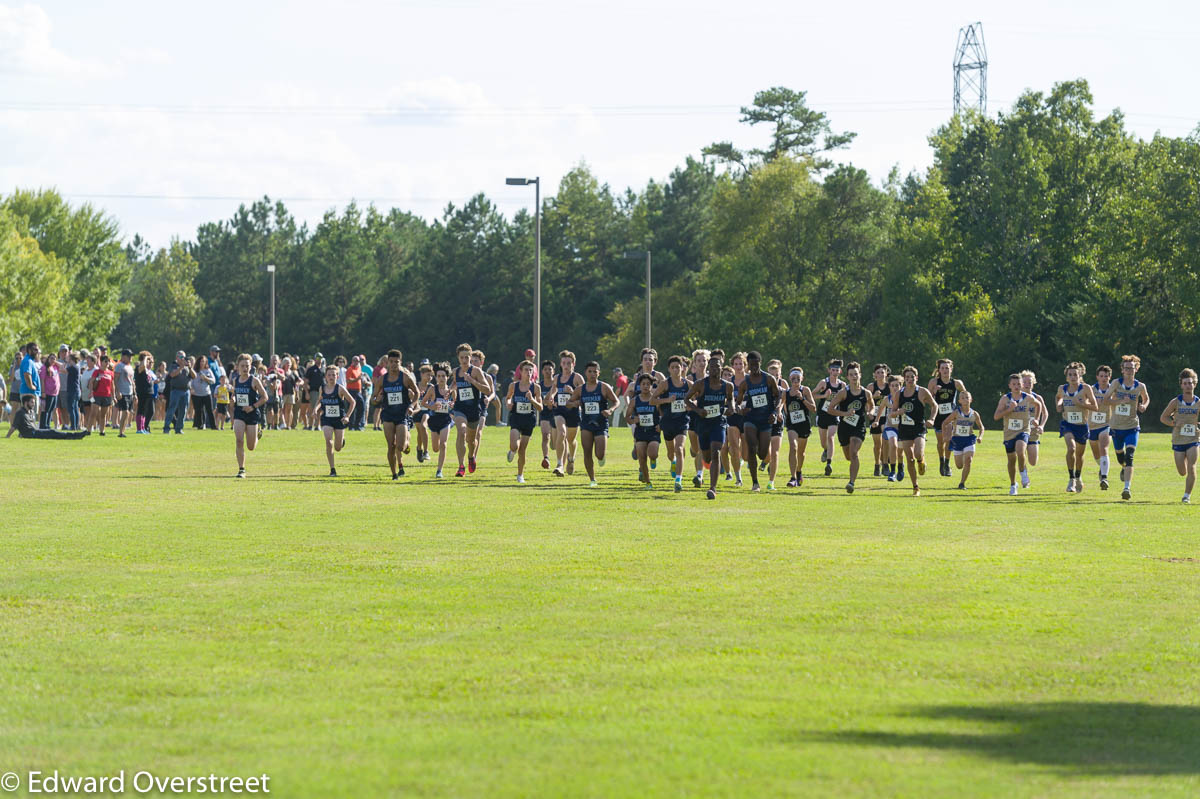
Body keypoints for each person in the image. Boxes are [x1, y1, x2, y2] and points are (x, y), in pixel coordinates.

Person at [686, 353, 733, 500]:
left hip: (718, 423)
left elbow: (731, 401)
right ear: (709, 369)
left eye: (717, 367)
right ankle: (707, 465)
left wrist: (731, 408)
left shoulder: (728, 386)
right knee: (706, 455)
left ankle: (712, 488)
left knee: (716, 452)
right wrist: (698, 410)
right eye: (712, 367)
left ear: (721, 368)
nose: (714, 369)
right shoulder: (700, 384)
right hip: (703, 424)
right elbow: (686, 399)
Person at [565, 361, 619, 487]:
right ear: (586, 373)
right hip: (586, 424)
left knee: (599, 454)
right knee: (587, 452)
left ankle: (602, 457)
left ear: (599, 373)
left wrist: (610, 410)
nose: (592, 374)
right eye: (590, 371)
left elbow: (616, 402)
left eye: (595, 371)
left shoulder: (604, 387)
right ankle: (592, 479)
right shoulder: (580, 389)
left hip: (601, 424)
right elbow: (568, 403)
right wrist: (575, 404)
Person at [1104, 354, 1150, 501]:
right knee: (1120, 455)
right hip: (1117, 426)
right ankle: (1123, 467)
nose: (1129, 370)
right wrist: (1119, 400)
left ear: (1136, 369)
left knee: (1130, 456)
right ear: (1122, 369)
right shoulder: (1116, 384)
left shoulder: (1140, 386)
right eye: (1126, 368)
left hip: (1132, 426)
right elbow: (1106, 400)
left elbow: (1146, 398)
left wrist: (1143, 405)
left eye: (1132, 368)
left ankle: (1126, 488)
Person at [736, 351, 781, 492]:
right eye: (751, 364)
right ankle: (755, 483)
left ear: (760, 363)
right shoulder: (745, 383)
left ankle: (761, 462)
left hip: (766, 420)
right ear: (748, 365)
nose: (754, 367)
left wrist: (775, 412)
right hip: (750, 418)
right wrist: (740, 409)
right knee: (751, 447)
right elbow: (738, 403)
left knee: (762, 453)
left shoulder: (768, 379)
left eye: (756, 364)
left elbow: (778, 397)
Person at [827, 362, 874, 494]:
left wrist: (870, 413)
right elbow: (830, 409)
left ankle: (851, 482)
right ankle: (852, 474)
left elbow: (872, 405)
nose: (854, 377)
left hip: (858, 427)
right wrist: (845, 414)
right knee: (848, 456)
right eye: (851, 375)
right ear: (847, 377)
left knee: (854, 453)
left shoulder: (866, 393)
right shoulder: (843, 393)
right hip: (844, 428)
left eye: (856, 374)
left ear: (860, 375)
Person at [1055, 362, 1099, 493]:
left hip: (1082, 426)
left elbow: (1095, 407)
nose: (1073, 377)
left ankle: (1079, 477)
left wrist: (1082, 404)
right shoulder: (1062, 388)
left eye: (1075, 374)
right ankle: (1071, 479)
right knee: (1071, 448)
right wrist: (1059, 404)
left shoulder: (1085, 389)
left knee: (1079, 455)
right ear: (1066, 377)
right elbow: (1058, 397)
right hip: (1067, 424)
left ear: (1080, 375)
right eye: (1070, 375)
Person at [375, 349, 419, 480]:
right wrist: (376, 399)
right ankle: (394, 474)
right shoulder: (382, 379)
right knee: (391, 445)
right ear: (387, 362)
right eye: (391, 362)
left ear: (400, 363)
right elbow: (374, 396)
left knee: (400, 446)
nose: (394, 364)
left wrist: (411, 405)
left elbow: (417, 393)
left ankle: (407, 442)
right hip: (388, 414)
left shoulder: (405, 377)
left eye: (397, 362)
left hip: (402, 415)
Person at [1159, 368, 1200, 504]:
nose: (1188, 385)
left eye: (1190, 383)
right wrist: (1174, 423)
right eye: (1185, 383)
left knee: (1192, 467)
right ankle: (1185, 463)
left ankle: (1186, 496)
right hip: (1178, 440)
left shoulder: (1198, 402)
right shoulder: (1175, 402)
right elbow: (1163, 418)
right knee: (1182, 471)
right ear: (1181, 385)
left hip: (1193, 439)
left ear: (1195, 384)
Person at [450, 343, 490, 477]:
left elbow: (487, 389)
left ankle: (471, 456)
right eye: (462, 357)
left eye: (467, 357)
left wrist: (472, 380)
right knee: (461, 432)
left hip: (474, 409)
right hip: (460, 408)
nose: (465, 360)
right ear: (458, 358)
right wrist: (450, 391)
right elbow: (455, 384)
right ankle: (461, 466)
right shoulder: (456, 372)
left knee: (471, 441)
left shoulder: (476, 371)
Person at [653, 354, 692, 493]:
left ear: (682, 368)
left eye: (678, 367)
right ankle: (673, 462)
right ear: (669, 369)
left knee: (680, 448)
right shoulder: (665, 384)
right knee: (671, 453)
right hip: (668, 421)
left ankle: (678, 480)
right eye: (673, 367)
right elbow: (652, 400)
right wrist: (666, 400)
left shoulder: (688, 384)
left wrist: (691, 406)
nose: (676, 369)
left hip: (682, 421)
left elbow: (697, 400)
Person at [894, 365, 934, 496]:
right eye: (907, 377)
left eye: (912, 377)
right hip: (904, 429)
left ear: (916, 378)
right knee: (909, 459)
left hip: (918, 428)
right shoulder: (899, 394)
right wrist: (898, 412)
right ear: (904, 379)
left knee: (918, 453)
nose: (910, 379)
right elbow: (893, 412)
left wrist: (932, 419)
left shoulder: (922, 392)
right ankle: (915, 487)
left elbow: (935, 406)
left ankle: (921, 460)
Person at [994, 373, 1036, 496]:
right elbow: (996, 416)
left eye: (1018, 384)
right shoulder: (1005, 399)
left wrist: (1036, 419)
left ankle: (1023, 474)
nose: (1016, 386)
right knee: (1011, 461)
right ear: (1009, 386)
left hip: (1023, 430)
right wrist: (1009, 409)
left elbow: (1038, 405)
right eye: (1014, 384)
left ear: (1022, 385)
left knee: (1020, 449)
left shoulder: (1027, 397)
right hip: (1009, 433)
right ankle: (1013, 484)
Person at [504, 359, 543, 483]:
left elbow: (540, 407)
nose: (528, 372)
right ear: (521, 371)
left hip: (529, 420)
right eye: (526, 370)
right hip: (516, 417)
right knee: (515, 446)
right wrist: (509, 403)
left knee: (522, 450)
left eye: (531, 370)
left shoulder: (536, 387)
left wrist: (532, 400)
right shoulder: (514, 385)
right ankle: (511, 450)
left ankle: (520, 475)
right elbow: (508, 398)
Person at [928, 359, 967, 478]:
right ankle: (941, 461)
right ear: (939, 370)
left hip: (951, 415)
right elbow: (926, 399)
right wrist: (934, 392)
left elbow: (965, 395)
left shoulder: (956, 383)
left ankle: (947, 464)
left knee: (949, 439)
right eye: (942, 368)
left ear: (951, 369)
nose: (945, 370)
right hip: (938, 415)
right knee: (941, 442)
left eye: (947, 368)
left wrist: (962, 408)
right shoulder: (934, 382)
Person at [231, 354, 268, 477]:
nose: (245, 368)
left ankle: (257, 434)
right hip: (239, 414)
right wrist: (233, 398)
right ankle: (241, 469)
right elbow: (235, 395)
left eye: (247, 366)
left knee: (251, 446)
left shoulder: (254, 380)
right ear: (237, 367)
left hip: (252, 414)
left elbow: (265, 397)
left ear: (251, 366)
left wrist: (252, 407)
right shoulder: (235, 380)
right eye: (242, 366)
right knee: (239, 440)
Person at [550, 350, 585, 477]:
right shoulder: (556, 378)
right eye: (564, 363)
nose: (566, 366)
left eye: (569, 363)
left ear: (573, 364)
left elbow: (585, 395)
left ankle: (571, 458)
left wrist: (572, 392)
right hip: (559, 410)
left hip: (573, 411)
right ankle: (559, 464)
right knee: (561, 433)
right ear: (561, 364)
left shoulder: (577, 377)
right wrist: (552, 398)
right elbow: (553, 390)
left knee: (571, 440)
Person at [317, 365, 356, 476]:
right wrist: (315, 409)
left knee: (337, 447)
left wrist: (347, 416)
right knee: (329, 442)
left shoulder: (340, 388)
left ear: (337, 376)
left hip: (339, 420)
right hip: (326, 419)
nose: (331, 377)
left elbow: (353, 402)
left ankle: (341, 441)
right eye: (329, 375)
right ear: (325, 376)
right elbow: (320, 400)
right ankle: (332, 469)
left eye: (333, 375)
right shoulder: (322, 388)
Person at [941, 391, 984, 489]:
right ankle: (960, 467)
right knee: (959, 465)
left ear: (971, 399)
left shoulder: (975, 414)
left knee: (968, 460)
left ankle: (962, 483)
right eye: (963, 398)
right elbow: (944, 423)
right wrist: (945, 437)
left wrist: (980, 436)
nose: (965, 399)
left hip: (969, 439)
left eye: (967, 397)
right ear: (959, 401)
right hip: (957, 440)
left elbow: (981, 427)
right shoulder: (956, 413)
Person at [782, 367, 816, 487]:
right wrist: (780, 415)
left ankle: (799, 471)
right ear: (790, 379)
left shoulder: (805, 390)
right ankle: (792, 478)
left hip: (804, 424)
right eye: (793, 378)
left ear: (802, 379)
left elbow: (813, 408)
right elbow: (781, 405)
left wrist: (802, 398)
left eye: (798, 378)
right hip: (792, 425)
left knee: (801, 452)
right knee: (793, 447)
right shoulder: (785, 393)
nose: (796, 380)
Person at [814, 359, 846, 477]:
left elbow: (845, 398)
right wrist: (824, 395)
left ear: (840, 371)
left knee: (831, 437)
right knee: (824, 442)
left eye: (837, 370)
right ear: (829, 371)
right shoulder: (823, 382)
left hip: (834, 414)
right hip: (823, 414)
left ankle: (829, 463)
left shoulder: (842, 385)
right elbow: (812, 394)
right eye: (833, 370)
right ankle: (826, 450)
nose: (835, 372)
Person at [5, 395, 89, 439]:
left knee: (53, 432)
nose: (33, 404)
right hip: (33, 434)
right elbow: (14, 427)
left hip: (35, 432)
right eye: (32, 402)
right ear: (26, 403)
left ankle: (76, 435)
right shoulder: (20, 413)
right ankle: (76, 435)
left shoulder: (29, 412)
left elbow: (24, 427)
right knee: (53, 432)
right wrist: (7, 436)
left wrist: (21, 435)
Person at [630, 374, 662, 488]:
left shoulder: (655, 400)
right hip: (640, 432)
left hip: (653, 431)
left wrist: (661, 425)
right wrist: (634, 419)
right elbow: (627, 418)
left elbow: (663, 415)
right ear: (639, 385)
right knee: (642, 457)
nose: (645, 386)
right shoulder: (634, 401)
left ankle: (653, 459)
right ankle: (648, 482)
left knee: (652, 454)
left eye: (648, 384)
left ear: (651, 386)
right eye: (643, 384)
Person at [423, 363, 454, 478]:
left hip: (446, 420)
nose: (441, 378)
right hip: (434, 420)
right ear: (436, 377)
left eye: (443, 376)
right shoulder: (432, 389)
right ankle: (436, 457)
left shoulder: (451, 391)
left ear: (447, 377)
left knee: (444, 444)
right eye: (439, 376)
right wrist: (432, 407)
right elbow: (423, 403)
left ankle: (439, 470)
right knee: (436, 448)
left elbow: (455, 403)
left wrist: (452, 404)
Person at [685, 349, 710, 487]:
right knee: (695, 449)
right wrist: (693, 403)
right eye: (699, 360)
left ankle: (699, 476)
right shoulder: (689, 379)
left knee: (701, 448)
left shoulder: (711, 379)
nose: (702, 363)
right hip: (692, 416)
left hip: (705, 417)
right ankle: (693, 450)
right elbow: (685, 399)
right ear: (694, 363)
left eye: (704, 360)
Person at [1088, 364, 1115, 490]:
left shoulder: (1113, 390)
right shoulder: (1091, 389)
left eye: (1106, 376)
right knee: (1096, 454)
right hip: (1092, 426)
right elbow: (1083, 402)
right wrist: (1092, 403)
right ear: (1097, 377)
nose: (1104, 378)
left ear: (1109, 377)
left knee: (1104, 447)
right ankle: (1102, 468)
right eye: (1101, 376)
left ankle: (1104, 477)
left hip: (1106, 424)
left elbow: (1117, 403)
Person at [724, 351, 748, 487]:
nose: (738, 367)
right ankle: (738, 479)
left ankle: (744, 461)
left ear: (745, 365)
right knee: (733, 447)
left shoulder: (750, 380)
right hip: (732, 417)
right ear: (732, 365)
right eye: (736, 364)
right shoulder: (729, 383)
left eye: (741, 364)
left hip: (747, 417)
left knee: (745, 454)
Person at [1020, 370, 1048, 480]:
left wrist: (1041, 425)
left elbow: (1045, 413)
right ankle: (1024, 476)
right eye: (1025, 382)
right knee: (1020, 453)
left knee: (1033, 461)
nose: (1027, 384)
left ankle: (1025, 467)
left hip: (1033, 432)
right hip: (1020, 431)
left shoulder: (1038, 398)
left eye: (1030, 382)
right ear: (1021, 383)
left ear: (1033, 383)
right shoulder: (1016, 397)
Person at [879, 375, 905, 483]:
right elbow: (880, 410)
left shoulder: (905, 397)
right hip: (890, 427)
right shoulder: (886, 399)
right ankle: (892, 472)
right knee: (893, 445)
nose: (895, 388)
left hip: (903, 428)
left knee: (900, 452)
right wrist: (876, 421)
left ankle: (900, 466)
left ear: (901, 386)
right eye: (892, 385)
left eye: (897, 385)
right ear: (889, 386)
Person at [867, 364, 891, 477]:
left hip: (886, 416)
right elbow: (864, 402)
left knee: (885, 440)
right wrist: (873, 397)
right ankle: (877, 465)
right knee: (877, 444)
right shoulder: (871, 387)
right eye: (878, 372)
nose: (880, 375)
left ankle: (885, 464)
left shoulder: (890, 386)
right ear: (874, 375)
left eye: (882, 372)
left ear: (886, 374)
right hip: (874, 416)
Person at [163, 351, 192, 434]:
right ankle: (166, 428)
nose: (183, 359)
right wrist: (181, 367)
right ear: (177, 358)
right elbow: (172, 375)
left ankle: (179, 429)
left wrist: (190, 367)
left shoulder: (187, 366)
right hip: (176, 391)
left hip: (186, 391)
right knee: (171, 409)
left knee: (183, 411)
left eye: (183, 357)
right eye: (180, 357)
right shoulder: (173, 366)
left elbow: (194, 376)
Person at [537, 360, 558, 470]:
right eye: (545, 369)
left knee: (554, 443)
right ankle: (546, 458)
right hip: (544, 413)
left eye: (550, 369)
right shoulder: (539, 386)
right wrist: (546, 403)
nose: (547, 371)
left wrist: (554, 404)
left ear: (553, 371)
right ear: (542, 371)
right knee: (545, 435)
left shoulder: (557, 385)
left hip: (556, 413)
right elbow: (538, 400)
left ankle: (553, 444)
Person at [410, 363, 433, 463]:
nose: (430, 377)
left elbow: (433, 400)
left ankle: (426, 451)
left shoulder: (431, 387)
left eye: (431, 375)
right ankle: (419, 449)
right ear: (422, 375)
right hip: (417, 411)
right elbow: (411, 398)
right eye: (428, 375)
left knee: (424, 426)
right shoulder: (416, 386)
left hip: (427, 411)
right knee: (420, 432)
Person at [88, 355, 114, 436]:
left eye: (108, 361)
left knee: (103, 414)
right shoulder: (97, 372)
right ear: (101, 362)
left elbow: (112, 385)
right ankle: (88, 430)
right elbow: (91, 382)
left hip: (107, 395)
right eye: (105, 361)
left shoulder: (110, 373)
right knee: (94, 413)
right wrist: (91, 392)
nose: (107, 363)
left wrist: (114, 396)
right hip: (97, 395)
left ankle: (102, 431)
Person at [113, 349, 136, 437]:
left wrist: (134, 393)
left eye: (131, 356)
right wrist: (117, 392)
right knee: (125, 412)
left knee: (128, 413)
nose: (130, 358)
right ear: (123, 356)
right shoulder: (119, 366)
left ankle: (123, 431)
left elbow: (132, 381)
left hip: (129, 392)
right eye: (128, 356)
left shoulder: (130, 367)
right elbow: (115, 379)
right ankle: (120, 432)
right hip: (122, 392)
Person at [190, 355, 217, 429]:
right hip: (196, 394)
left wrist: (206, 378)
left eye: (204, 361)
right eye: (201, 361)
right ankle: (200, 425)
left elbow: (213, 381)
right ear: (198, 362)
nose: (202, 363)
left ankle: (213, 426)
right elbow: (191, 381)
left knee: (209, 411)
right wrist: (191, 388)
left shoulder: (208, 370)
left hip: (206, 394)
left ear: (206, 363)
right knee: (198, 411)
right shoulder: (194, 370)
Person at [134, 351, 155, 434]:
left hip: (148, 393)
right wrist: (146, 357)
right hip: (142, 391)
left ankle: (143, 428)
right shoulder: (139, 367)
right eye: (148, 359)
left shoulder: (147, 369)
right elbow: (142, 366)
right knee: (141, 410)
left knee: (144, 411)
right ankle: (139, 428)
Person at [39, 351, 61, 429]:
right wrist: (43, 392)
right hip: (47, 392)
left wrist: (55, 362)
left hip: (55, 393)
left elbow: (63, 367)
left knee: (51, 409)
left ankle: (47, 425)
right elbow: (42, 380)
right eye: (51, 358)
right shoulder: (44, 368)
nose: (53, 360)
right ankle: (43, 425)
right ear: (48, 359)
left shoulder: (55, 367)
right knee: (46, 409)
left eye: (54, 359)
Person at [305, 353, 325, 431]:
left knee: (320, 410)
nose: (319, 359)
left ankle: (317, 426)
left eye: (320, 358)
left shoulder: (323, 369)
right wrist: (307, 392)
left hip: (322, 391)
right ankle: (310, 425)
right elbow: (306, 382)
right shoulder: (311, 369)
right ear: (315, 359)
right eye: (317, 358)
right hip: (314, 392)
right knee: (313, 409)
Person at [18, 342, 42, 408]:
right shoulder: (28, 361)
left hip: (30, 392)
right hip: (29, 393)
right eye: (35, 350)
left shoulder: (30, 360)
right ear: (29, 350)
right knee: (30, 417)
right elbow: (27, 374)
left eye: (37, 350)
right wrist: (31, 386)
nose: (37, 352)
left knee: (31, 417)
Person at [63, 350, 81, 430]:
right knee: (75, 408)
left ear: (71, 359)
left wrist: (56, 363)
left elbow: (63, 370)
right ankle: (76, 425)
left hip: (72, 391)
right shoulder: (76, 366)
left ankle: (73, 426)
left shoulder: (73, 367)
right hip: (76, 390)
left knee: (71, 408)